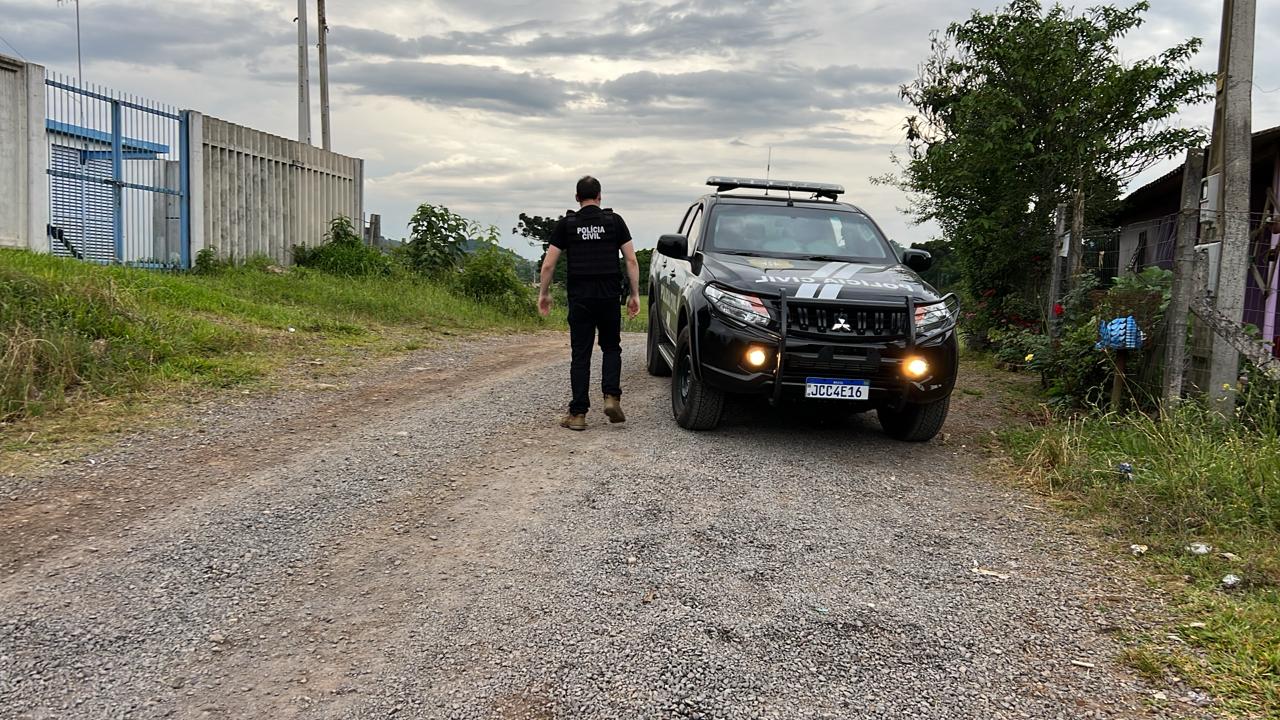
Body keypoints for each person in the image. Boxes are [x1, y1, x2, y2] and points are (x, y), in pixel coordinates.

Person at [538, 176, 641, 431]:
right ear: (600, 196)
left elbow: (549, 263)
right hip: (607, 295)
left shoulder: (567, 224)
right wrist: (634, 294)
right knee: (611, 348)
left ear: (577, 197)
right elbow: (631, 260)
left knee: (581, 355)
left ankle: (578, 414)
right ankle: (611, 397)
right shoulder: (614, 222)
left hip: (580, 297)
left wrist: (544, 292)